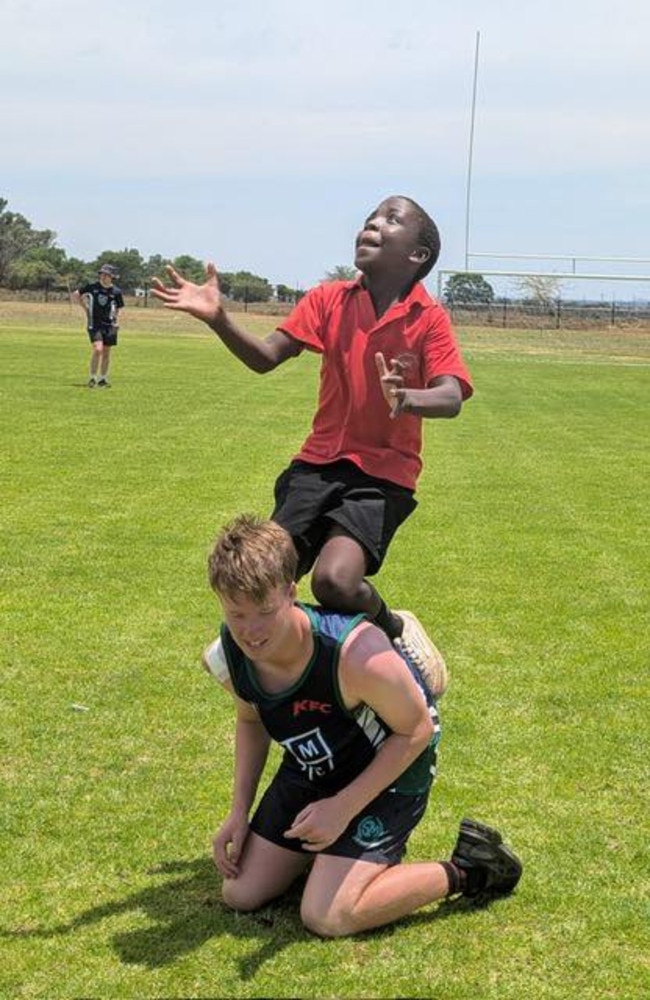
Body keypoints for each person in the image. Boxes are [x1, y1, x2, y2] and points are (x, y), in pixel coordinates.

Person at [152, 195, 474, 695]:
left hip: (381, 475)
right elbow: (265, 358)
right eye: (371, 217)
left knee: (335, 584)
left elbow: (452, 396)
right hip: (317, 465)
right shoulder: (329, 299)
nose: (372, 223)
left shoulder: (428, 319)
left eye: (391, 220)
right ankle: (255, 650)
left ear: (419, 255)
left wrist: (406, 397)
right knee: (257, 574)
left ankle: (394, 629)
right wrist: (218, 318)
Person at [203, 514, 522, 938]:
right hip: (316, 766)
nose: (251, 631)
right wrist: (239, 812)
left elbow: (417, 730)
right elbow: (250, 718)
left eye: (265, 612)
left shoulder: (353, 653)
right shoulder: (232, 646)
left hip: (391, 770)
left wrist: (343, 807)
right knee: (240, 892)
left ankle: (471, 868)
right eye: (236, 613)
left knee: (326, 916)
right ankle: (333, 859)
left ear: (291, 593)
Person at [74, 263, 124, 387]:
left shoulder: (116, 291)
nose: (103, 276)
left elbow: (119, 308)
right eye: (102, 274)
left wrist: (117, 321)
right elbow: (76, 294)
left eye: (106, 274)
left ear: (111, 276)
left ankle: (103, 379)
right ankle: (92, 378)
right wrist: (85, 309)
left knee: (106, 352)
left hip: (109, 325)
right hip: (95, 323)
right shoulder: (92, 287)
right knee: (98, 349)